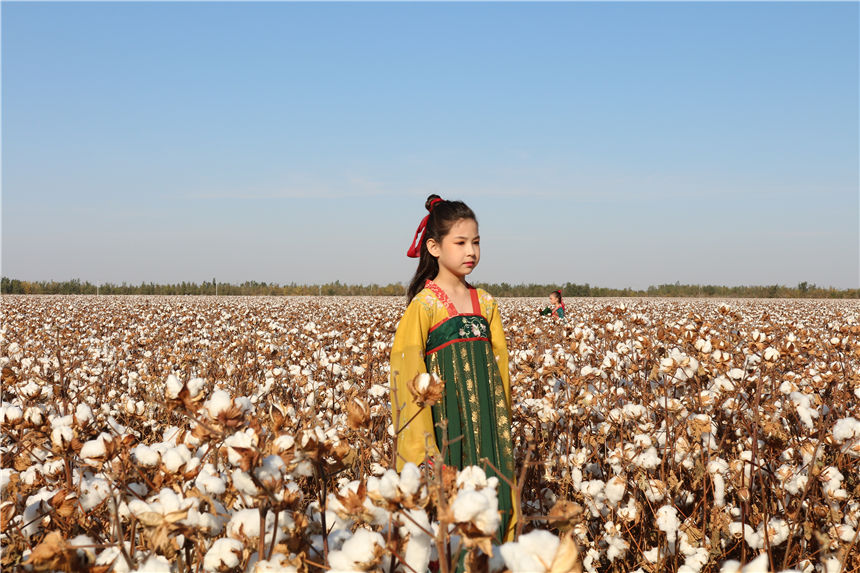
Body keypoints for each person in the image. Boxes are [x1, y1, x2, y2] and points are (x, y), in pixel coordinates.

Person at [390, 194, 517, 543]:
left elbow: (500, 370)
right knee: (452, 522)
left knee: (495, 511)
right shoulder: (425, 305)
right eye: (460, 242)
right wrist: (422, 453)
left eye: (476, 242)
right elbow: (408, 380)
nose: (471, 251)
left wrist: (502, 427)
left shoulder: (486, 303)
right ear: (433, 247)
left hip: (490, 430)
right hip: (447, 432)